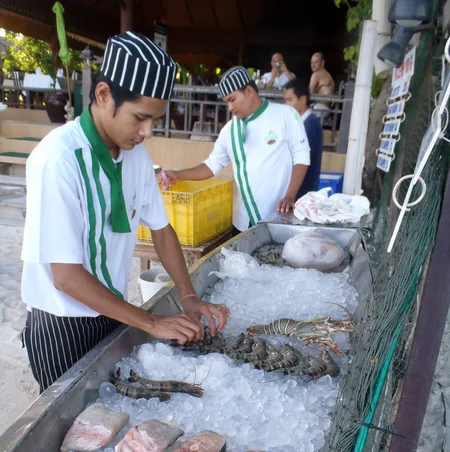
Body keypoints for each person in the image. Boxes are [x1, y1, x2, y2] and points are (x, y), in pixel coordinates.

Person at [21, 31, 229, 394]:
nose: (147, 131)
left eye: (154, 120)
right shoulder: (57, 160)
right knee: (69, 429)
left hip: (112, 309)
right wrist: (149, 321)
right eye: (140, 117)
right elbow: (66, 277)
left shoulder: (134, 155)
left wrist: (188, 295)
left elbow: (162, 231)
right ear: (104, 95)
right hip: (62, 321)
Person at [161, 66, 310, 233]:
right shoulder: (229, 130)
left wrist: (290, 195)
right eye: (226, 102)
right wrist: (179, 174)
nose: (230, 107)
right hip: (242, 222)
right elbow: (212, 165)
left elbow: (301, 156)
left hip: (277, 217)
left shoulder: (286, 115)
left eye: (232, 99)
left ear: (249, 91)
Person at [284, 79, 323, 198]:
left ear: (303, 99)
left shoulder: (310, 124)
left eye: (290, 100)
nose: (286, 105)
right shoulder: (302, 123)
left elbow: (300, 161)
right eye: (285, 100)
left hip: (302, 193)